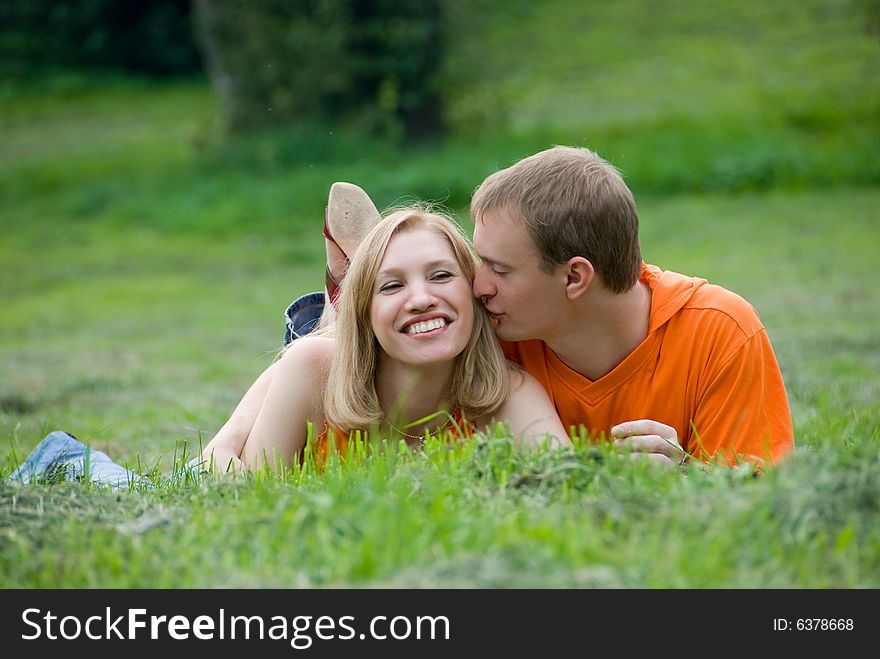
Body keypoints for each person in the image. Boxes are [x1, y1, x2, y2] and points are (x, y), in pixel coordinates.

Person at [10, 205, 569, 487]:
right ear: (363, 311)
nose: (422, 298)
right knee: (153, 487)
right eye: (392, 286)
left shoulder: (507, 391)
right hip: (233, 460)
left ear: (475, 294)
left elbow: (566, 481)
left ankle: (351, 271)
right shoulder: (314, 371)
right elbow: (252, 495)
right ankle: (66, 458)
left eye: (442, 277)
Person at [470, 146, 794, 467]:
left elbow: (759, 498)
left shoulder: (718, 330)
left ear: (574, 277)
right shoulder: (490, 338)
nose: (479, 287)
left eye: (499, 270)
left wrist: (686, 473)